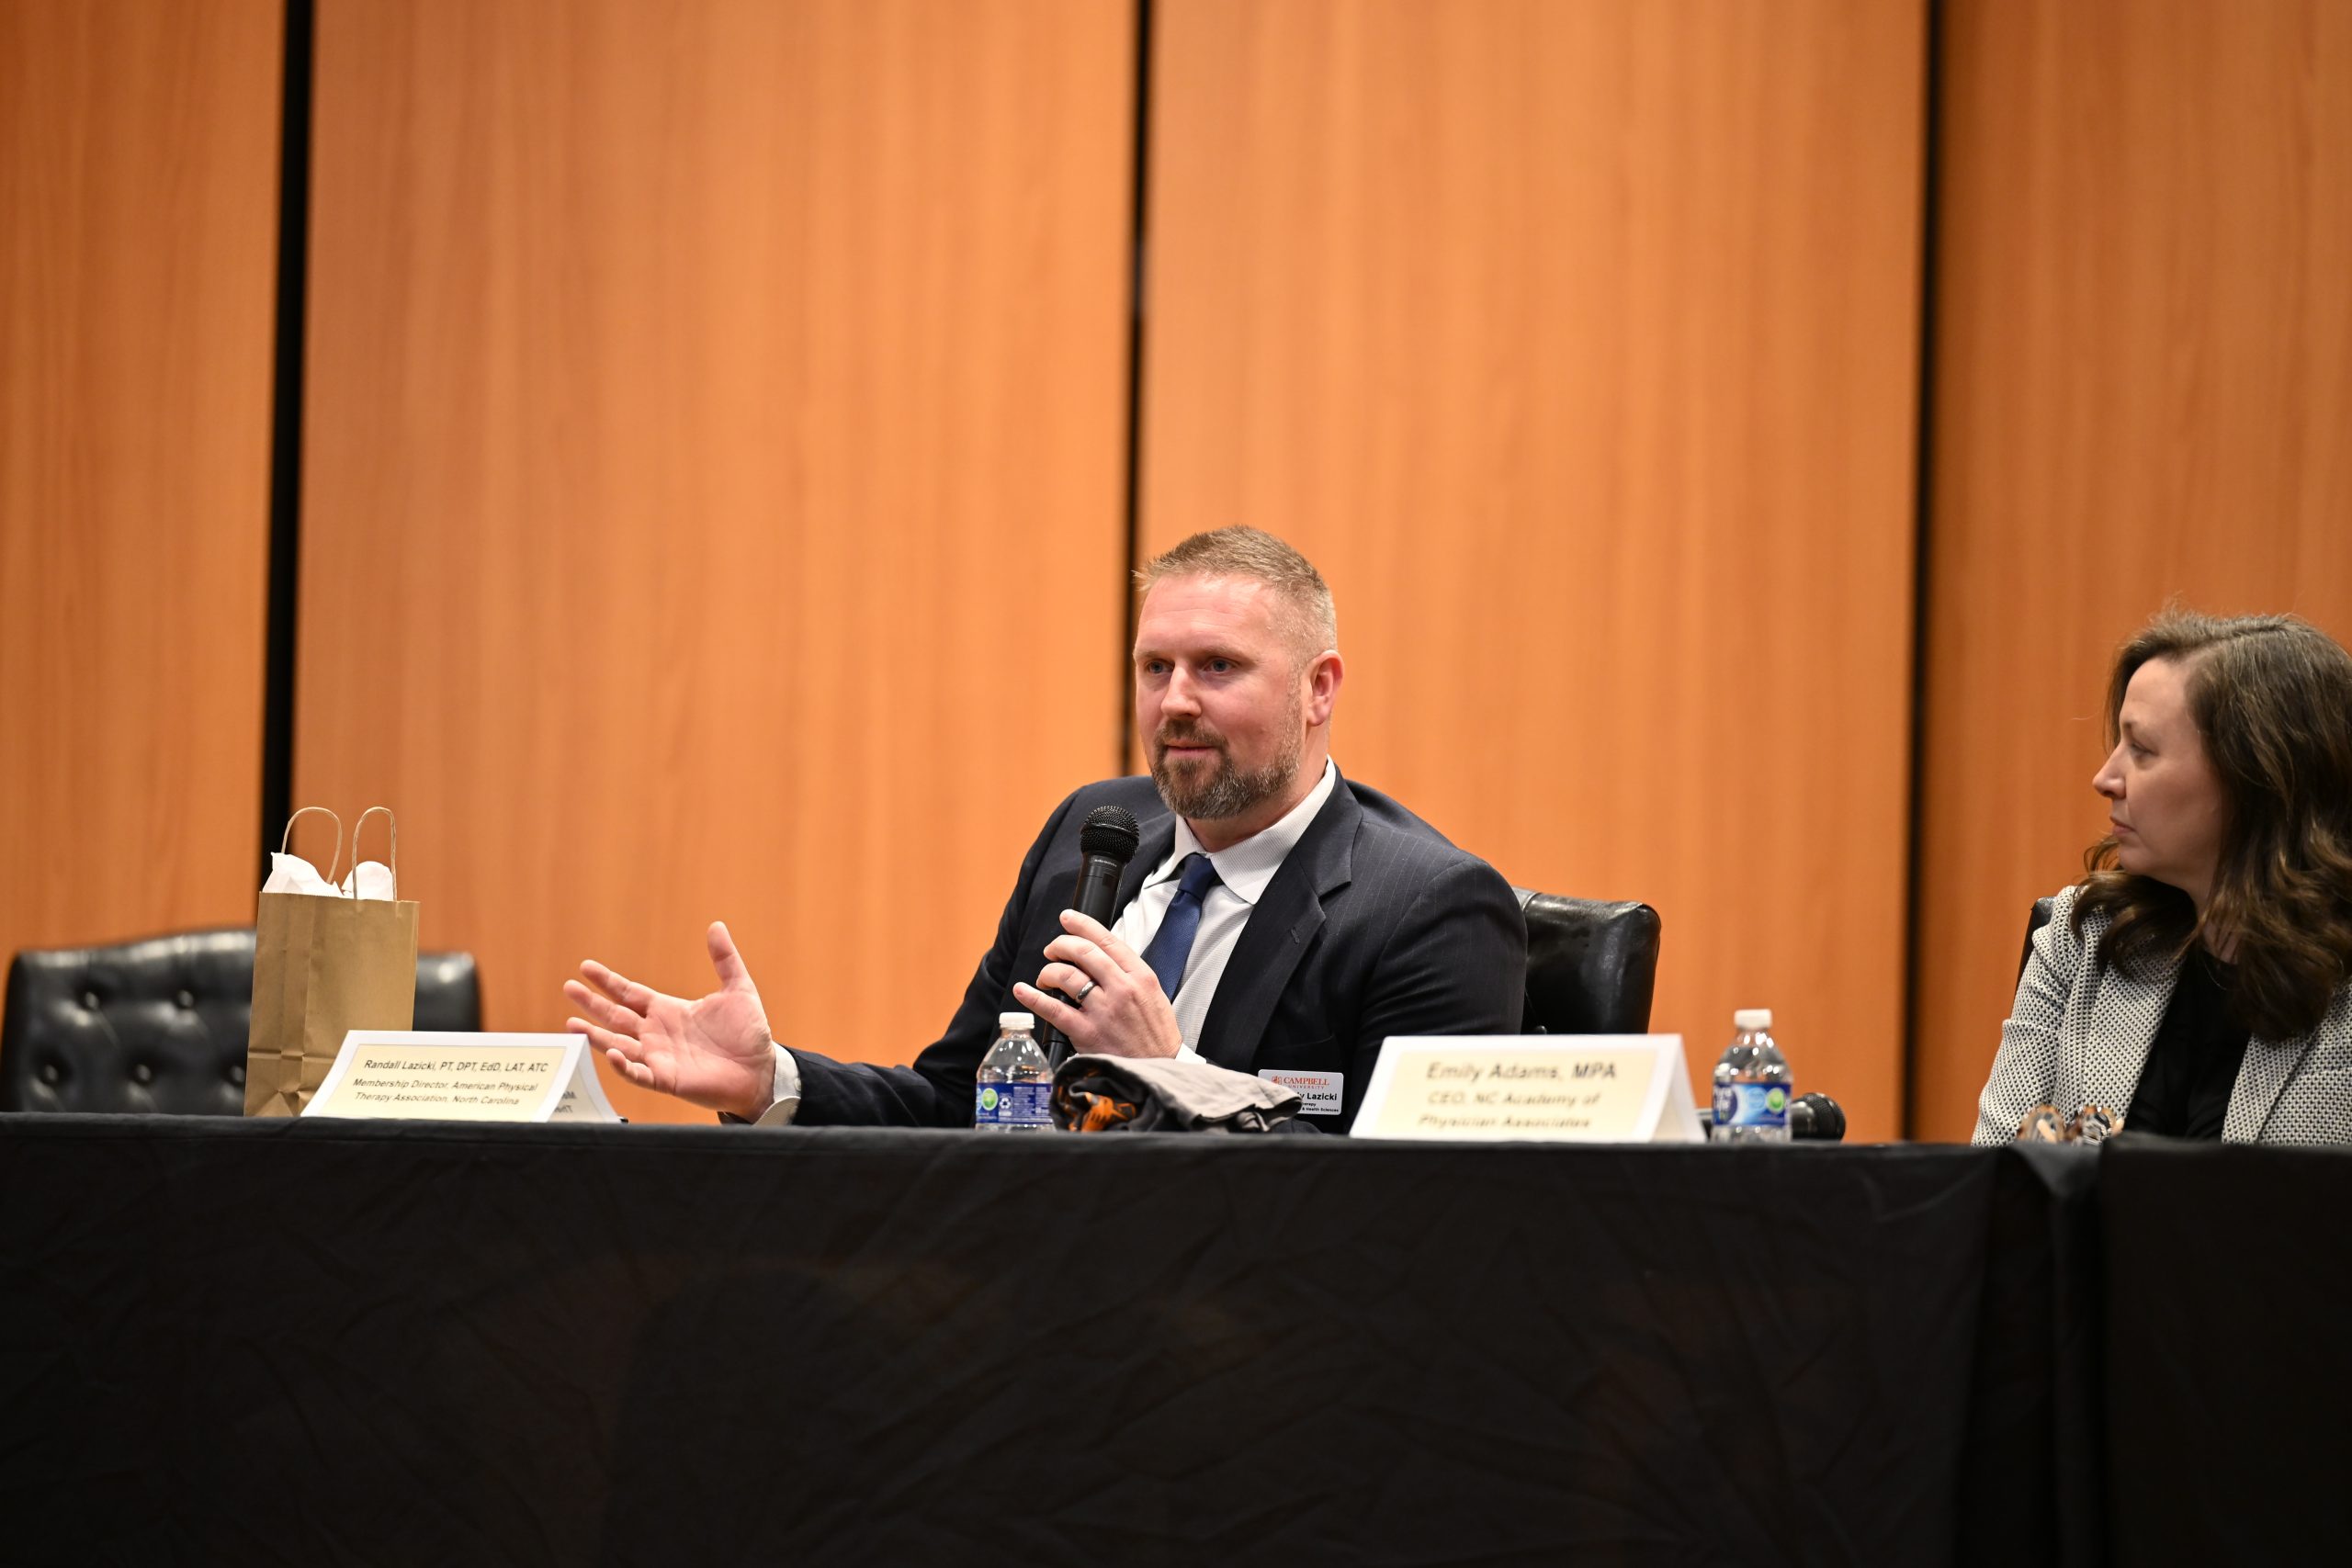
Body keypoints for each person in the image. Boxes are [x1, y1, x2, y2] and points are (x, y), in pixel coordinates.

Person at [565, 526, 1527, 1133]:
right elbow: (963, 1105)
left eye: (1217, 667)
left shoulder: (1427, 908)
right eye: (1155, 670)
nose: (1175, 703)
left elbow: (1407, 1213)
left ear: (1320, 689)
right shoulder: (1090, 835)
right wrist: (770, 1079)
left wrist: (1174, 1077)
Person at [1974, 610, 2352, 1145]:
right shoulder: (2081, 937)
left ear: (2257, 779)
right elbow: (1997, 1176)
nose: (2104, 778)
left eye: (2143, 750)